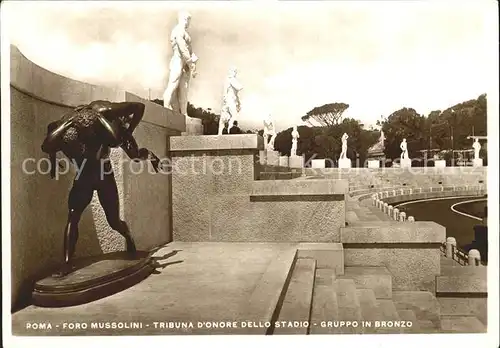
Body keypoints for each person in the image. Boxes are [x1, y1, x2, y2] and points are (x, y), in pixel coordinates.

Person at [41, 101, 162, 277]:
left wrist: (99, 118)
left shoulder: (102, 128)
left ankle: (127, 235)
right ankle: (66, 263)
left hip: (105, 177)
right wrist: (53, 162)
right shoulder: (61, 129)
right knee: (73, 216)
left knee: (113, 221)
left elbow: (115, 140)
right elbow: (47, 146)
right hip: (83, 178)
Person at [162, 11, 198, 116]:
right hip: (178, 60)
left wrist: (192, 62)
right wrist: (191, 62)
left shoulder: (184, 32)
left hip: (185, 64)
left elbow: (189, 50)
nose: (188, 23)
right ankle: (166, 107)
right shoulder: (178, 31)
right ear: (182, 19)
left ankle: (184, 113)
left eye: (189, 20)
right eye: (186, 20)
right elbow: (183, 48)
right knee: (173, 84)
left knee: (184, 90)